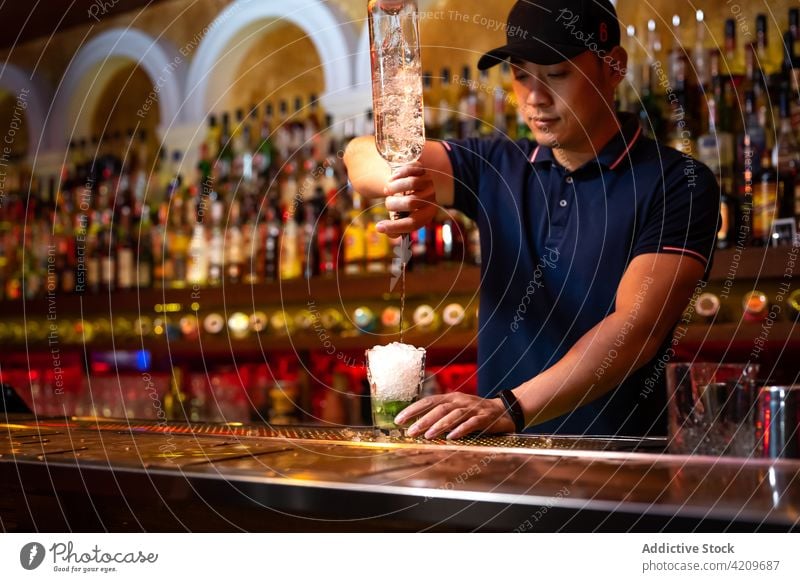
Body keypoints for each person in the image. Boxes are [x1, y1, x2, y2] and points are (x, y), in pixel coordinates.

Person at [344, 0, 719, 440]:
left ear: (613, 67)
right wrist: (402, 181)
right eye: (522, 75)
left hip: (621, 470)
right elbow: (358, 153)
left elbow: (636, 329)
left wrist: (511, 408)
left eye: (557, 74)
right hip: (500, 464)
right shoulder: (498, 164)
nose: (535, 98)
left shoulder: (678, 183)